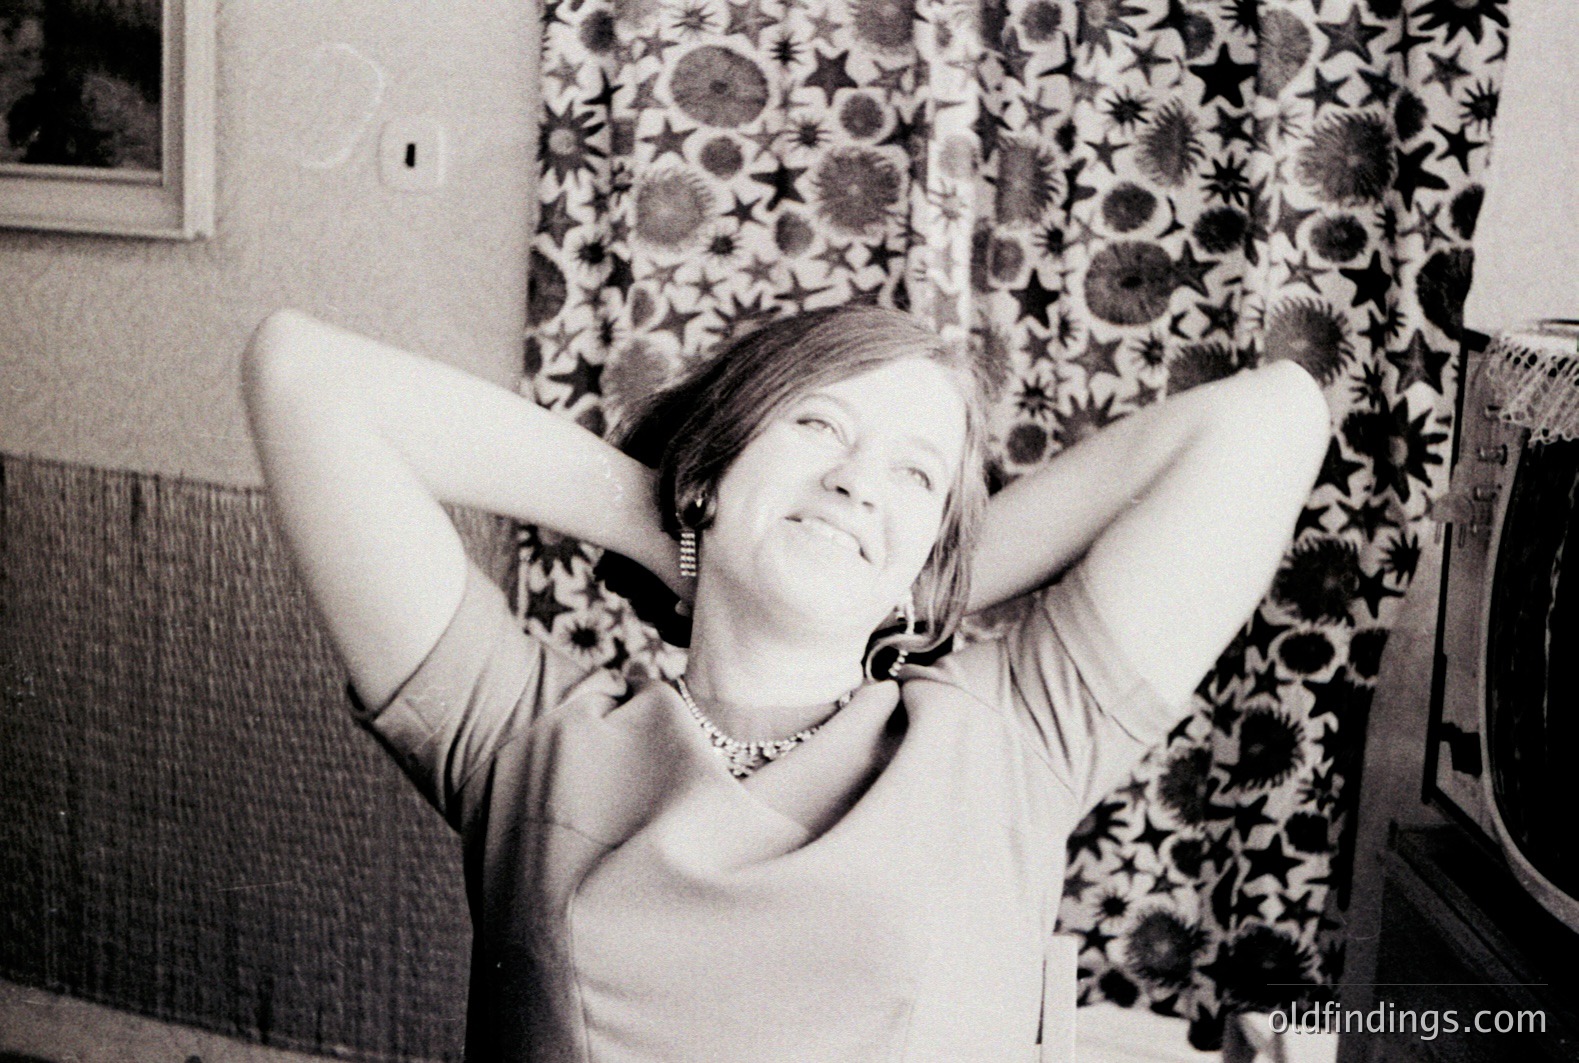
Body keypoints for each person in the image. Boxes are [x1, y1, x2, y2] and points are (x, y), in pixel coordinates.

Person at [242, 305, 1329, 1062]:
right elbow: (301, 376)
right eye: (817, 425)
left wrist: (905, 580)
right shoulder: (522, 737)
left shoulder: (1011, 739)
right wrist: (683, 523)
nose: (861, 477)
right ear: (712, 466)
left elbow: (1274, 415)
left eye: (915, 473)